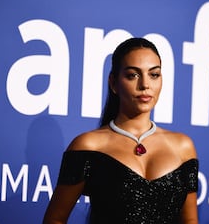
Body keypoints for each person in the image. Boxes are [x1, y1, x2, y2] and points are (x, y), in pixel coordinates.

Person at [43, 37, 199, 224]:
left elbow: (190, 221)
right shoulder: (88, 146)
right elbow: (55, 220)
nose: (145, 85)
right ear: (114, 83)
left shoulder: (183, 147)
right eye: (133, 75)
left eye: (154, 74)